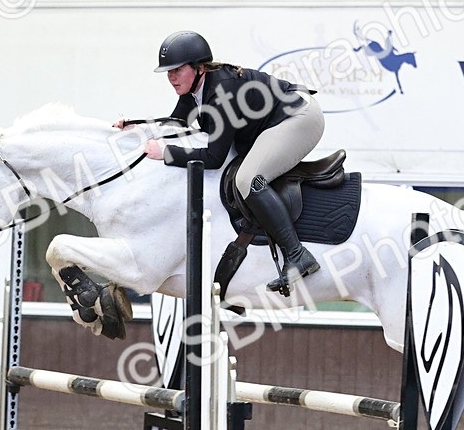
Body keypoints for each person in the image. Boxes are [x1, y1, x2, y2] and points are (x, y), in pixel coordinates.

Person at [117, 31, 326, 294]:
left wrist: (167, 153)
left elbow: (214, 159)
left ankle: (297, 255)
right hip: (278, 119)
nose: (171, 77)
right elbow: (177, 124)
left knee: (247, 180)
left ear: (199, 68)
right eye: (168, 72)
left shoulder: (221, 94)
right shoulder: (195, 88)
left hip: (300, 117)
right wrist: (136, 129)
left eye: (177, 70)